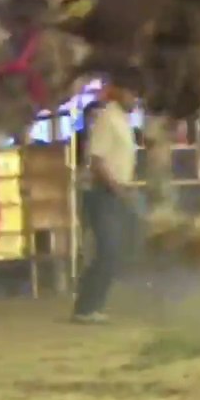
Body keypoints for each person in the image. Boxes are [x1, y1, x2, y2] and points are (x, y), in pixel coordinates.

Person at [72, 84, 138, 324]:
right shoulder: (107, 118)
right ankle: (87, 306)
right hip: (105, 192)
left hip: (115, 190)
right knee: (108, 250)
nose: (136, 98)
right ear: (119, 92)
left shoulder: (119, 119)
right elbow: (98, 161)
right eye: (133, 92)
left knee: (112, 250)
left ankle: (89, 305)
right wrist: (118, 189)